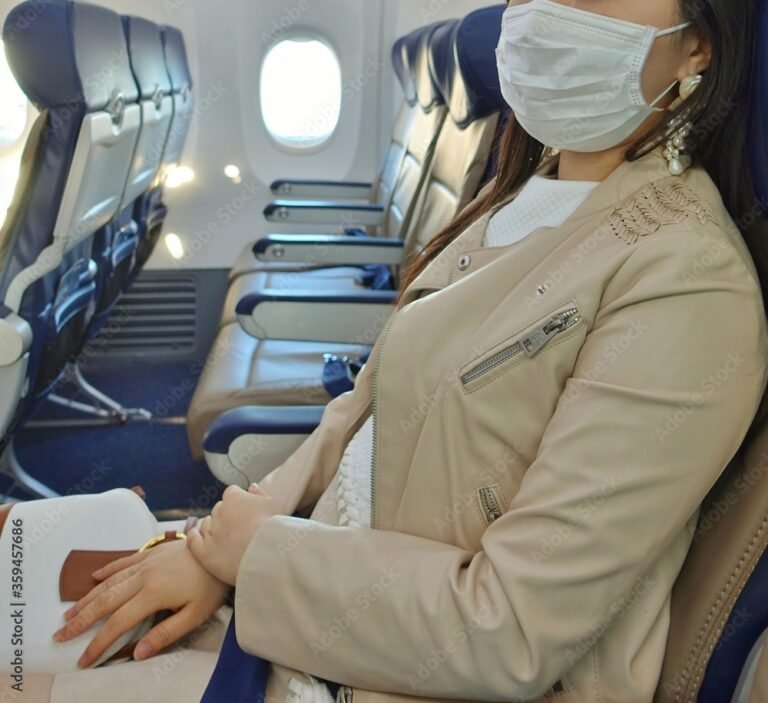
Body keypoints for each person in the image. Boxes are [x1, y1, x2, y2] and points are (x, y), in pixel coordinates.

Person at [6, 0, 768, 701]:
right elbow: (367, 404)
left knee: (29, 670)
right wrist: (220, 546)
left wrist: (255, 559)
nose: (547, 13)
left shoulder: (687, 284)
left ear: (697, 46)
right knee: (30, 594)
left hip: (394, 670)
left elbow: (509, 631)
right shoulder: (523, 193)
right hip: (325, 599)